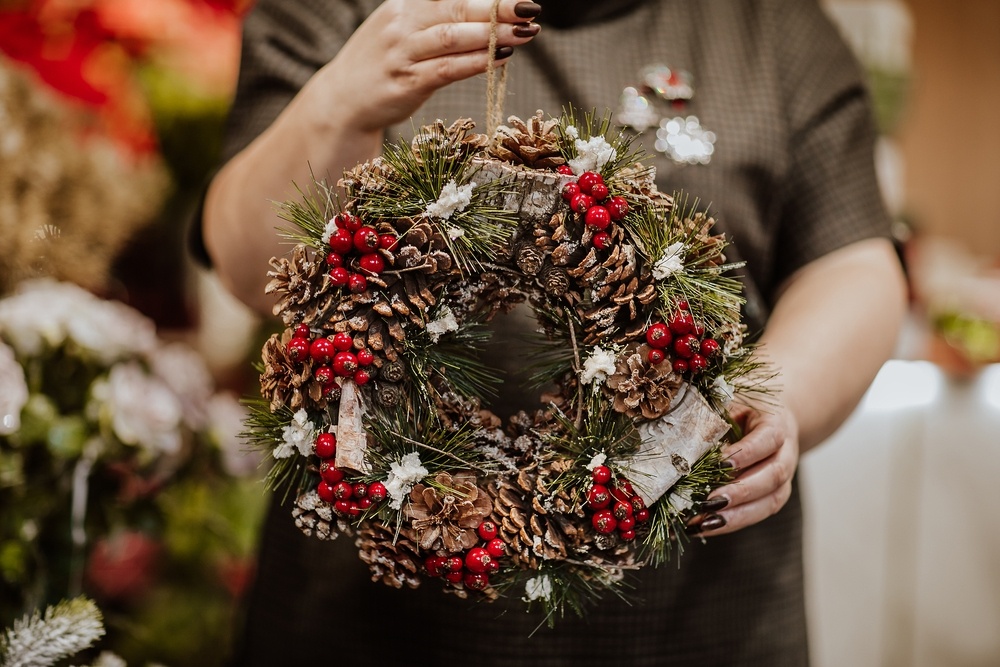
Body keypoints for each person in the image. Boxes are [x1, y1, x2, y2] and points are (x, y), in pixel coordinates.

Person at [197, 0, 907, 664]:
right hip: (369, 618)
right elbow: (248, 263)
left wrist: (778, 394)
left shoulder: (773, 28)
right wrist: (335, 104)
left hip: (692, 616)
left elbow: (849, 261)